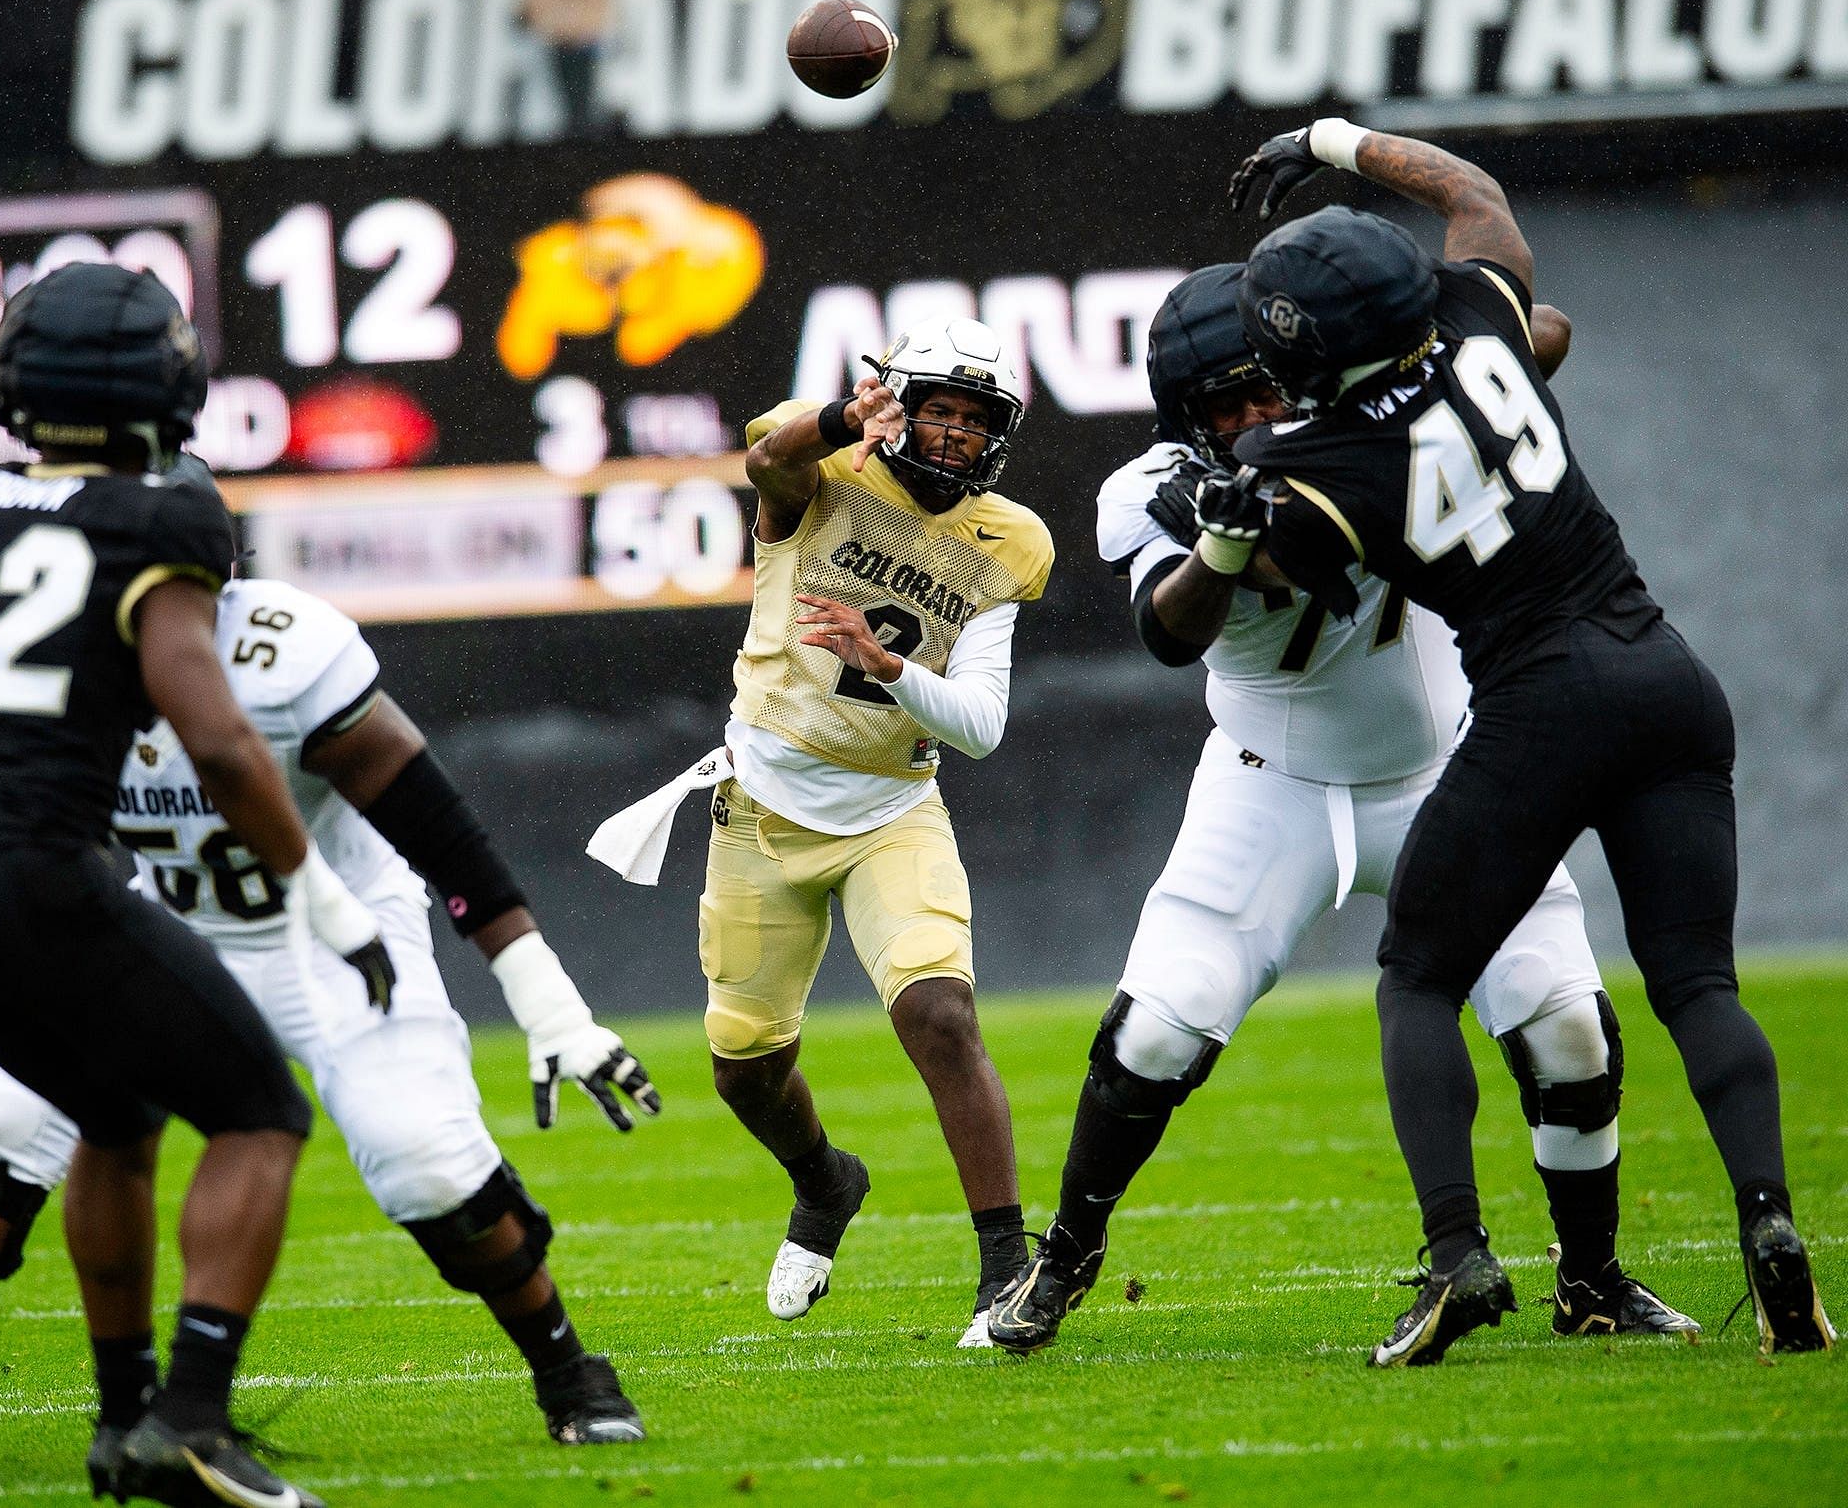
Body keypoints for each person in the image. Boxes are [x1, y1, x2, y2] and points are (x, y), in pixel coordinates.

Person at [0, 563, 658, 1481]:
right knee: (7, 1120)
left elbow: (441, 831)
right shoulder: (57, 667)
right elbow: (37, 848)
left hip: (339, 931)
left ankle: (569, 1371)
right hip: (168, 929)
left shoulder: (285, 652)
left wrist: (550, 1004)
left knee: (423, 1154)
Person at [985, 262, 1691, 1355]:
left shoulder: (1376, 424)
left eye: (1267, 386)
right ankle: (1061, 1260)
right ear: (1186, 415)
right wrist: (1218, 539)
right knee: (1156, 1030)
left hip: (1452, 766)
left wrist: (1470, 365)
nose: (1257, 414)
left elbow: (1539, 331)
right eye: (1228, 402)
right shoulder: (1150, 490)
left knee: (1566, 1022)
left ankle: (1592, 1277)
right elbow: (1172, 632)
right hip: (1274, 780)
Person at [1214, 121, 1829, 1363]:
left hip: (1539, 703)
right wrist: (1336, 139)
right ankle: (1771, 1230)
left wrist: (1225, 533)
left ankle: (1458, 1256)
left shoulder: (1309, 456)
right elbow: (1472, 189)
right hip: (1666, 673)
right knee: (1700, 985)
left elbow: (1238, 599)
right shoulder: (1485, 316)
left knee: (1419, 977)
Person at [0, 262, 392, 1507]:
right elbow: (219, 740)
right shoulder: (161, 517)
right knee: (259, 1112)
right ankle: (195, 1417)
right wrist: (323, 896)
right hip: (36, 874)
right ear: (163, 384)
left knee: (113, 1117)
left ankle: (124, 1424)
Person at [593, 316, 1052, 1346]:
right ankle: (824, 1181)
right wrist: (848, 415)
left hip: (893, 809)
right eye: (937, 409)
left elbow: (979, 726)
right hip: (763, 810)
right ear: (896, 406)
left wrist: (891, 668)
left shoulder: (1009, 539)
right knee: (744, 1069)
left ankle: (1007, 1271)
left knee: (941, 1014)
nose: (955, 435)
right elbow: (765, 456)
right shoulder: (826, 475)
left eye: (976, 419)